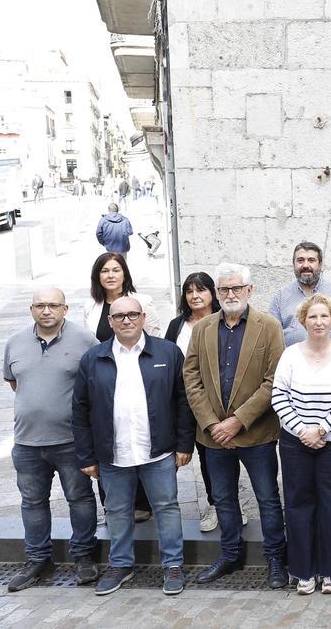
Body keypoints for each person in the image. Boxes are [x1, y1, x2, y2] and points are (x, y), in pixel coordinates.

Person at [72, 296, 194, 596]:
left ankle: (173, 565)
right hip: (113, 454)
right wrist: (87, 456)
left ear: (142, 317)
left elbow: (183, 400)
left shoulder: (167, 351)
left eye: (132, 315)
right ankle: (120, 565)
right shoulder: (94, 358)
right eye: (119, 316)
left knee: (166, 507)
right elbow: (80, 409)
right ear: (110, 321)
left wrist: (183, 444)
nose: (126, 320)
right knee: (116, 510)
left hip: (159, 451)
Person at [183, 263, 288, 589]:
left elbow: (274, 381)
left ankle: (275, 558)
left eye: (236, 288)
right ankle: (230, 554)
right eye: (224, 289)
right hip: (214, 436)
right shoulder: (202, 329)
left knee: (268, 498)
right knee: (224, 499)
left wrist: (238, 421)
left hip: (255, 434)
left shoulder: (268, 326)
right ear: (217, 293)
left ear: (249, 290)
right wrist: (213, 424)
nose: (230, 294)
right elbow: (192, 376)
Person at [3, 287, 100, 592]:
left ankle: (84, 556)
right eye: (40, 305)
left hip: (70, 441)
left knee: (80, 499)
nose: (46, 311)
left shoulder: (85, 340)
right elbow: (15, 383)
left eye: (53, 305)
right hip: (27, 443)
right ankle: (38, 561)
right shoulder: (15, 342)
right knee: (32, 502)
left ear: (65, 309)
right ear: (31, 309)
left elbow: (97, 384)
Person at [272, 293, 331, 595]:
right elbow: (279, 396)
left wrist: (321, 429)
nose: (319, 321)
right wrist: (302, 430)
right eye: (313, 316)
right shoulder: (291, 354)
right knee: (298, 506)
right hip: (295, 443)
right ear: (303, 321)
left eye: (324, 316)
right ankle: (303, 571)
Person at [84, 252, 159, 521]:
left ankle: (142, 503)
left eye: (116, 269)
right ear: (98, 276)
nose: (111, 275)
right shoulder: (90, 307)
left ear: (125, 273)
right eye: (105, 270)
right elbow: (88, 347)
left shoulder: (143, 302)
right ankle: (113, 505)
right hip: (105, 382)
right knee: (111, 442)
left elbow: (156, 339)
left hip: (139, 378)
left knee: (138, 436)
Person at [163, 272, 227, 533]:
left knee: (214, 455)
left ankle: (222, 504)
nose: (195, 296)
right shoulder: (177, 325)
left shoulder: (225, 322)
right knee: (189, 454)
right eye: (189, 291)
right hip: (182, 400)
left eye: (200, 290)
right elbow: (167, 359)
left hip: (213, 400)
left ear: (212, 293)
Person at [268, 242, 331, 347]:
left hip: (328, 359)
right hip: (292, 359)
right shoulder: (280, 296)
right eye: (300, 260)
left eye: (311, 260)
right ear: (293, 264)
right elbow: (272, 335)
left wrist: (323, 355)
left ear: (320, 264)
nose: (306, 265)